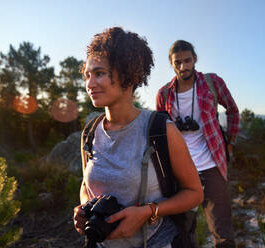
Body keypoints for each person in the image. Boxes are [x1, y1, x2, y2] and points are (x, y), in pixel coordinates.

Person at [73, 28, 203, 248]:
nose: (89, 84)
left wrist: (148, 211)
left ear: (127, 74)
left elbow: (194, 193)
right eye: (87, 75)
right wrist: (84, 207)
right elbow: (86, 186)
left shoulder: (161, 130)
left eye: (99, 73)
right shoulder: (91, 132)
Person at [156, 40, 239, 248]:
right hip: (181, 170)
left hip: (212, 165)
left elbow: (232, 111)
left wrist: (230, 142)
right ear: (171, 63)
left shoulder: (212, 83)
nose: (183, 66)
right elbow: (159, 131)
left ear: (195, 59)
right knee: (181, 234)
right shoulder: (164, 94)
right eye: (178, 62)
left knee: (223, 233)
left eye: (187, 60)